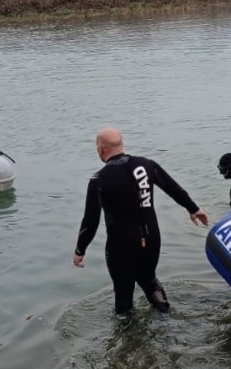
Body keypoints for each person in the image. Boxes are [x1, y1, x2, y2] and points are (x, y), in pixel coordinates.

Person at [72, 128, 209, 315]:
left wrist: (80, 249)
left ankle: (127, 335)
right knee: (149, 279)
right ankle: (164, 315)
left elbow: (91, 220)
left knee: (123, 291)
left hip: (121, 245)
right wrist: (194, 209)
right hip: (152, 239)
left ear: (100, 149)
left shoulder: (99, 179)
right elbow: (172, 187)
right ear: (122, 144)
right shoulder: (147, 165)